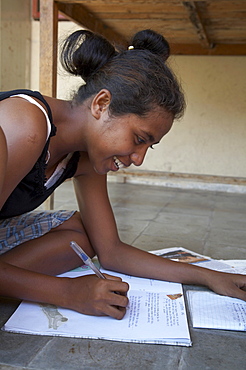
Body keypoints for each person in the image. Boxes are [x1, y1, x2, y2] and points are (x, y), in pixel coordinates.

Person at [0, 29, 245, 320]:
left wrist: (208, 276)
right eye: (139, 138)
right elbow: (80, 282)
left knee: (80, 235)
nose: (139, 159)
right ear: (101, 104)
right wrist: (66, 292)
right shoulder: (26, 125)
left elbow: (111, 251)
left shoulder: (86, 157)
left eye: (149, 147)